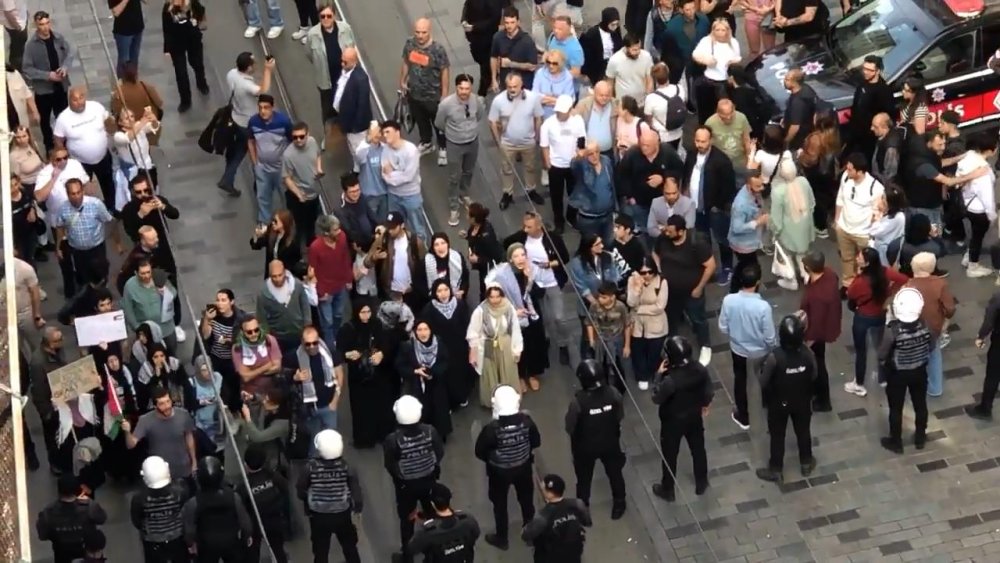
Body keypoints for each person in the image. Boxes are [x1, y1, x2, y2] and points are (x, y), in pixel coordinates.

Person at [475, 385, 540, 551]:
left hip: (499, 473)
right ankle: (531, 534)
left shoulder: (491, 430)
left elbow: (480, 451)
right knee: (526, 501)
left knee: (500, 505)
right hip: (524, 468)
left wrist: (494, 460)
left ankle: (502, 538)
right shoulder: (527, 422)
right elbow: (536, 442)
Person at [504, 212, 572, 364]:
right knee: (542, 316)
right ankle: (545, 339)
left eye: (529, 227)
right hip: (534, 284)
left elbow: (564, 258)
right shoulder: (522, 237)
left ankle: (563, 344)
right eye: (524, 226)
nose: (526, 230)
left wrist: (549, 264)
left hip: (552, 282)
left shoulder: (552, 238)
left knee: (559, 317)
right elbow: (507, 244)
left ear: (539, 226)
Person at [756, 315, 817, 483]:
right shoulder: (808, 354)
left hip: (778, 403)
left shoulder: (774, 357)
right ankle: (806, 462)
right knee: (803, 431)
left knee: (777, 435)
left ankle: (776, 469)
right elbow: (814, 375)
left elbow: (763, 381)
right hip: (803, 401)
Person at [383, 395, 445, 563]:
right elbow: (439, 453)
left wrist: (402, 478)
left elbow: (390, 464)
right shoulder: (430, 431)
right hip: (429, 481)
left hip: (406, 487)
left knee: (407, 520)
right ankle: (435, 551)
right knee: (432, 514)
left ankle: (407, 556)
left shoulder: (392, 439)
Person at [651, 335, 713, 501]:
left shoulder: (671, 380)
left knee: (670, 455)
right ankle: (701, 482)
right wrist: (705, 404)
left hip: (672, 421)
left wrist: (658, 375)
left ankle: (668, 489)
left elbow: (656, 397)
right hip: (694, 416)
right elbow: (708, 390)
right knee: (698, 449)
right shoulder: (700, 369)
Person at [565, 360, 626, 517]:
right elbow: (620, 415)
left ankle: (582, 510)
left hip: (584, 448)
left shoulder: (578, 402)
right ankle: (619, 504)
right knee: (615, 474)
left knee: (584, 480)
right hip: (610, 443)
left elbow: (569, 427)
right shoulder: (612, 393)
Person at [844, 247, 908, 397]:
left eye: (860, 257)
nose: (857, 257)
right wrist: (890, 291)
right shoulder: (885, 272)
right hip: (880, 315)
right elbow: (904, 280)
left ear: (866, 263)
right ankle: (882, 378)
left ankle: (859, 384)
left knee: (861, 351)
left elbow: (850, 294)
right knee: (879, 348)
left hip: (863, 318)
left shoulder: (860, 281)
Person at [719, 263, 776, 430]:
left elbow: (723, 327)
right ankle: (763, 403)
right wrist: (771, 347)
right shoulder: (763, 307)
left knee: (741, 380)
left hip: (738, 350)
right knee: (762, 378)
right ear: (757, 282)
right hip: (759, 352)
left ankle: (744, 416)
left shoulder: (729, 301)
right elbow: (770, 336)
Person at [654, 215, 715, 365]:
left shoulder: (697, 243)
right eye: (666, 230)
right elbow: (655, 252)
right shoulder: (663, 238)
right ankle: (672, 346)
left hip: (692, 292)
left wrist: (699, 288)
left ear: (681, 232)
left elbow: (711, 266)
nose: (666, 233)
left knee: (698, 319)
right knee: (671, 319)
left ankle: (705, 346)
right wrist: (660, 269)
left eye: (670, 232)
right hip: (670, 292)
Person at [879, 288, 932, 453]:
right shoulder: (925, 325)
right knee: (920, 404)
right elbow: (932, 345)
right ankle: (920, 437)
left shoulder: (893, 331)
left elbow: (882, 354)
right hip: (920, 370)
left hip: (898, 374)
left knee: (896, 408)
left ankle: (896, 441)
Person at [489, 244, 548, 393]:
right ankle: (520, 376)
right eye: (516, 256)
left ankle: (533, 374)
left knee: (534, 345)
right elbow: (498, 299)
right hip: (513, 316)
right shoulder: (503, 276)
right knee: (518, 347)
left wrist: (530, 280)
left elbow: (540, 294)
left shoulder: (532, 270)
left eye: (523, 255)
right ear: (510, 259)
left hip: (532, 314)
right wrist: (514, 311)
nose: (520, 259)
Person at [298, 429, 363, 563]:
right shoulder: (347, 466)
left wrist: (307, 502)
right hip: (342, 514)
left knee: (320, 551)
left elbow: (301, 489)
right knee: (350, 547)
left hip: (318, 516)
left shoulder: (309, 467)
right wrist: (358, 509)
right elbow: (356, 491)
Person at [337, 299, 395, 447]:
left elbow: (387, 345)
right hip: (359, 375)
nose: (366, 315)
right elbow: (339, 351)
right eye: (362, 312)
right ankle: (364, 439)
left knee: (381, 404)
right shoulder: (348, 328)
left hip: (378, 373)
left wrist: (381, 354)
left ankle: (382, 434)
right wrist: (348, 355)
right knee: (361, 408)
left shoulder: (377, 325)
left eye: (368, 312)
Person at [683, 125, 736, 285]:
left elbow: (729, 188)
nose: (700, 144)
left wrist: (717, 206)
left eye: (703, 141)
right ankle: (706, 264)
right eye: (697, 141)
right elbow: (687, 174)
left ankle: (727, 267)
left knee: (721, 239)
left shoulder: (722, 161)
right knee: (702, 237)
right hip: (696, 207)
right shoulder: (691, 155)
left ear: (711, 140)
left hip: (715, 210)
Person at [219, 52, 275, 197]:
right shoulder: (246, 85)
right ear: (249, 68)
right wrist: (268, 70)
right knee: (256, 154)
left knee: (239, 151)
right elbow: (263, 90)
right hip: (249, 124)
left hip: (236, 118)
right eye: (254, 63)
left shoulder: (231, 74)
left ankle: (227, 179)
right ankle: (259, 186)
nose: (256, 64)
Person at [489, 73, 545, 209]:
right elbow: (492, 122)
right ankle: (507, 193)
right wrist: (498, 142)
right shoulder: (499, 100)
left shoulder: (533, 98)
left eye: (515, 86)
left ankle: (531, 190)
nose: (512, 89)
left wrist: (537, 137)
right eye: (509, 86)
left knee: (530, 167)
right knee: (506, 169)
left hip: (528, 142)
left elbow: (538, 118)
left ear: (522, 85)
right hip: (508, 143)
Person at [181, 457, 254, 561]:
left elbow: (189, 529)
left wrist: (190, 543)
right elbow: (245, 522)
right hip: (231, 542)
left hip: (207, 545)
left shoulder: (194, 502)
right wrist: (247, 535)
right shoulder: (233, 497)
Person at [305, 3, 357, 148]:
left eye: (329, 16)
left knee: (347, 104)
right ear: (319, 17)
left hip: (344, 78)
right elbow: (309, 54)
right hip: (325, 80)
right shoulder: (313, 34)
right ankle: (328, 136)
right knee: (328, 111)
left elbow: (352, 48)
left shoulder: (345, 29)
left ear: (334, 16)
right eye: (323, 16)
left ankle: (349, 131)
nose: (326, 19)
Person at [123, 386, 197, 487]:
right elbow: (131, 445)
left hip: (184, 470)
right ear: (154, 406)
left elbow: (189, 437)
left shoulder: (183, 415)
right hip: (160, 475)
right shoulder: (145, 420)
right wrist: (127, 432)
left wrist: (194, 461)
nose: (167, 406)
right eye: (161, 403)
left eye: (168, 401)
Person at [435, 73, 484, 226]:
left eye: (467, 88)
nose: (464, 92)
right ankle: (454, 207)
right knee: (454, 177)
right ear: (456, 87)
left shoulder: (477, 101)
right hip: (454, 144)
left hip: (472, 142)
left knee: (469, 171)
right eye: (461, 88)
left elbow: (479, 116)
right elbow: (439, 123)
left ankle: (464, 194)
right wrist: (453, 133)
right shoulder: (446, 104)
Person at [22, 11, 75, 150]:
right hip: (44, 91)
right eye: (41, 24)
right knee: (45, 121)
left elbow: (69, 52)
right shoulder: (31, 46)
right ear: (36, 25)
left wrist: (65, 67)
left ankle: (64, 143)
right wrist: (48, 75)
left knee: (63, 117)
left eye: (47, 23)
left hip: (61, 87)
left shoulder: (58, 37)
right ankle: (49, 146)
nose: (45, 27)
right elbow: (27, 69)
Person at [905, 252, 955, 398]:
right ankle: (935, 387)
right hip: (934, 328)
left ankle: (914, 386)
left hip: (914, 328)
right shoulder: (940, 284)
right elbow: (950, 308)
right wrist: (946, 319)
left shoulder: (908, 285)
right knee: (934, 356)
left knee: (914, 358)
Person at [835, 153, 886, 292]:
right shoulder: (845, 178)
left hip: (863, 233)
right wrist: (837, 221)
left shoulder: (875, 188)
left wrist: (872, 229)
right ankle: (847, 284)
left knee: (865, 263)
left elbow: (879, 211)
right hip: (844, 228)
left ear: (860, 171)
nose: (847, 171)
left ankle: (864, 287)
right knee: (846, 258)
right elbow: (840, 198)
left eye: (850, 169)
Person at [401, 18, 450, 161]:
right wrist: (402, 81)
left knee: (439, 124)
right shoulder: (409, 44)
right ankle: (426, 142)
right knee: (421, 122)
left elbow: (445, 70)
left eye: (424, 32)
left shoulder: (437, 49)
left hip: (433, 96)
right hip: (415, 94)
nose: (420, 36)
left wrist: (444, 95)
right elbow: (405, 62)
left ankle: (443, 147)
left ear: (429, 31)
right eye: (417, 32)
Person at [467, 283, 524, 407]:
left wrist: (517, 349)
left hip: (506, 345)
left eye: (498, 296)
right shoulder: (481, 310)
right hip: (488, 345)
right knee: (490, 374)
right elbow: (473, 332)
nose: (495, 300)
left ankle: (510, 401)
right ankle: (492, 401)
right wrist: (474, 351)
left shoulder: (509, 308)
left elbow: (515, 329)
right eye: (491, 297)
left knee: (508, 372)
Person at [396, 320, 453, 442]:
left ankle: (439, 434)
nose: (423, 333)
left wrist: (433, 372)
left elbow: (445, 361)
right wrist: (416, 371)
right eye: (419, 330)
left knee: (438, 411)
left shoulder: (439, 343)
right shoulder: (408, 346)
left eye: (426, 329)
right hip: (416, 386)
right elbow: (400, 365)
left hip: (436, 385)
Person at [798, 251, 840, 412]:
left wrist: (808, 342)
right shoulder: (829, 274)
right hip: (825, 328)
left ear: (808, 267)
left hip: (816, 334)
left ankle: (823, 400)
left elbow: (815, 322)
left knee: (818, 365)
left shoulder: (817, 296)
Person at [422, 280, 474, 408]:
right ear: (435, 293)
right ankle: (449, 402)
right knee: (445, 374)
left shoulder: (460, 304)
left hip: (459, 347)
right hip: (441, 348)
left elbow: (467, 324)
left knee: (460, 372)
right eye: (439, 291)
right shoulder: (429, 309)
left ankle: (462, 396)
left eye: (446, 289)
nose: (443, 294)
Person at [540, 95, 587, 234]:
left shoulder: (577, 121)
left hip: (573, 164)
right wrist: (548, 163)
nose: (560, 114)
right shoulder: (548, 124)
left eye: (563, 111)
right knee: (556, 195)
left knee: (574, 193)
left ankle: (571, 216)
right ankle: (558, 220)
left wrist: (580, 154)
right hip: (556, 165)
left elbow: (581, 139)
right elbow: (544, 146)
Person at [35, 473, 107, 563]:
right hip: (86, 553)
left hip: (62, 554)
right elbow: (102, 518)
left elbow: (42, 535)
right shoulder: (89, 506)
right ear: (76, 490)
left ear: (59, 491)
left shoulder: (49, 512)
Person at [130, 456, 190, 561]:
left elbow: (137, 521)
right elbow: (185, 512)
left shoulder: (139, 498)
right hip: (177, 538)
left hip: (152, 542)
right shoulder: (180, 492)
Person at [768, 159, 815, 290]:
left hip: (787, 230)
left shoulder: (778, 191)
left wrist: (775, 232)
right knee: (803, 253)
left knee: (787, 254)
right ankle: (806, 274)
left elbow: (776, 218)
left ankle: (791, 280)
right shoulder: (803, 182)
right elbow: (812, 203)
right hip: (805, 225)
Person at [380, 120, 431, 243]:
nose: (385, 135)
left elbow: (408, 176)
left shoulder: (411, 150)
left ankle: (421, 251)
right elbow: (383, 172)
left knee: (417, 227)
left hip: (411, 195)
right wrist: (397, 174)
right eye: (383, 132)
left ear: (397, 132)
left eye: (388, 132)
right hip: (394, 196)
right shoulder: (385, 150)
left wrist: (392, 174)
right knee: (395, 226)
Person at [522, 474, 591, 562]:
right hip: (574, 551)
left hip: (551, 556)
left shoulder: (543, 516)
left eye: (543, 489)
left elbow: (526, 535)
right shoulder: (577, 503)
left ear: (548, 494)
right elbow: (587, 522)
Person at [248, 94, 292, 226]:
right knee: (263, 197)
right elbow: (250, 141)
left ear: (272, 108)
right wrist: (255, 163)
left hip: (281, 168)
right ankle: (264, 223)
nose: (263, 111)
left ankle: (288, 221)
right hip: (262, 168)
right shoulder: (253, 122)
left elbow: (292, 142)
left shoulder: (283, 122)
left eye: (266, 107)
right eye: (260, 107)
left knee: (286, 196)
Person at [240, 445, 290, 563]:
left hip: (255, 524)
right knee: (278, 549)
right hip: (275, 521)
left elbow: (241, 507)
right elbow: (285, 488)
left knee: (252, 552)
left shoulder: (244, 486)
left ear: (245, 464)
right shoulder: (273, 476)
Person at [957, 132, 998, 278]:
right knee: (978, 237)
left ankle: (968, 257)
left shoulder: (968, 158)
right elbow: (987, 196)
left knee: (975, 235)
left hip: (968, 204)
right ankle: (973, 266)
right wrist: (992, 215)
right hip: (980, 210)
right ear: (989, 150)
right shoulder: (984, 172)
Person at [309, 214, 353, 348]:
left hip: (340, 286)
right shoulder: (315, 247)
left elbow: (346, 258)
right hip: (325, 290)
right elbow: (312, 271)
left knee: (338, 315)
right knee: (327, 321)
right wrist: (320, 292)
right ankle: (331, 348)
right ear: (326, 232)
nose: (339, 231)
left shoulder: (342, 237)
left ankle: (336, 339)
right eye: (335, 229)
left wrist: (348, 279)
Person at [408, 482, 481, 562]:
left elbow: (412, 549)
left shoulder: (426, 532)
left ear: (432, 504)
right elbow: (476, 533)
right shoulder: (468, 520)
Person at [627, 257, 669, 390]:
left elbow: (659, 306)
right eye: (643, 272)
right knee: (638, 353)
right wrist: (637, 289)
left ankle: (654, 372)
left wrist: (639, 309)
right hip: (638, 326)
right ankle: (641, 376)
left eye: (650, 272)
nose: (647, 275)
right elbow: (631, 303)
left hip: (656, 325)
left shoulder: (662, 282)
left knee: (654, 353)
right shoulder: (632, 280)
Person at [257, 260, 314, 357]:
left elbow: (305, 306)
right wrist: (266, 336)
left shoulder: (297, 285)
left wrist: (307, 325)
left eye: (280, 275)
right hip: (278, 336)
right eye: (274, 276)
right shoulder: (263, 293)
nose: (278, 279)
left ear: (285, 272)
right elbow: (261, 317)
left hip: (298, 331)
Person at [121, 261, 179, 353]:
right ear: (136, 273)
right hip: (148, 331)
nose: (147, 276)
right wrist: (138, 329)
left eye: (148, 272)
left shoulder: (159, 277)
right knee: (152, 355)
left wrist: (166, 292)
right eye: (143, 273)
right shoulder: (130, 286)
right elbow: (128, 310)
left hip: (166, 327)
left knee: (172, 352)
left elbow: (174, 292)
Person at [162, 0, 209, 112]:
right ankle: (185, 100)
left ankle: (201, 83)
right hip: (176, 43)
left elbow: (201, 11)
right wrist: (167, 49)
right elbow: (166, 28)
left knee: (197, 63)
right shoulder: (168, 8)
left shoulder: (192, 3)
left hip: (193, 39)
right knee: (181, 73)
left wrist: (197, 22)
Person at [691, 19, 739, 124]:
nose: (720, 33)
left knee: (725, 112)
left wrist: (733, 62)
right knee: (706, 113)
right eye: (717, 30)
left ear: (727, 30)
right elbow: (695, 54)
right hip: (708, 81)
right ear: (713, 30)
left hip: (726, 82)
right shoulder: (706, 41)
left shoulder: (733, 42)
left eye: (723, 30)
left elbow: (738, 58)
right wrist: (706, 60)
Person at [727, 171, 768, 293]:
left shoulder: (752, 194)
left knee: (743, 266)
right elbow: (737, 227)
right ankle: (740, 291)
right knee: (751, 269)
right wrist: (757, 223)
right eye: (758, 186)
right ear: (748, 185)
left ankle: (736, 290)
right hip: (743, 244)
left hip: (750, 241)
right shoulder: (741, 204)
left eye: (762, 185)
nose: (761, 188)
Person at [570, 141, 617, 245]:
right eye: (590, 153)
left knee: (609, 243)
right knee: (591, 246)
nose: (595, 156)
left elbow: (612, 184)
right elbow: (574, 165)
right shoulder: (582, 165)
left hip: (607, 215)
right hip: (588, 218)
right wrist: (578, 157)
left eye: (597, 152)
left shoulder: (606, 161)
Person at [848, 56, 895, 159]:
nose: (865, 72)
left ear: (878, 71)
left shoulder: (884, 91)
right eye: (864, 68)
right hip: (857, 133)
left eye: (870, 70)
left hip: (870, 137)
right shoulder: (862, 83)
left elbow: (888, 116)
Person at [331, 47, 371, 161]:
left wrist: (356, 127)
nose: (342, 64)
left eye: (345, 62)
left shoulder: (360, 79)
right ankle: (356, 168)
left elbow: (362, 105)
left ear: (354, 61)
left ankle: (362, 171)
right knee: (352, 147)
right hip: (346, 120)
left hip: (356, 126)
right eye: (341, 60)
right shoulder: (346, 71)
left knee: (359, 150)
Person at [490, 6, 537, 92]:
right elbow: (493, 57)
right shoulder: (498, 37)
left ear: (518, 22)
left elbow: (533, 66)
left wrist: (511, 64)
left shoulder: (527, 41)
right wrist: (494, 79)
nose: (509, 26)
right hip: (505, 84)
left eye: (512, 22)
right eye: (507, 23)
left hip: (523, 85)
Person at [119, 176, 178, 244]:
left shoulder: (157, 199)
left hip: (162, 240)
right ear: (134, 192)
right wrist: (140, 214)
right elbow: (130, 231)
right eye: (138, 192)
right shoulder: (128, 208)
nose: (143, 194)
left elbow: (175, 215)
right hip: (143, 244)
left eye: (146, 190)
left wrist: (163, 206)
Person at [662, 0, 708, 86]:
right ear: (681, 10)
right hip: (682, 68)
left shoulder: (703, 20)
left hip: (701, 65)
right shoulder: (672, 28)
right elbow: (667, 52)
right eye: (688, 10)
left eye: (693, 8)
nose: (691, 12)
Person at [464, 202, 504, 300]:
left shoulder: (487, 236)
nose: (466, 216)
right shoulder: (475, 226)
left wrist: (478, 259)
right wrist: (467, 236)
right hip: (481, 265)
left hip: (487, 267)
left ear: (473, 218)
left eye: (468, 214)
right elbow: (474, 238)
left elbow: (494, 257)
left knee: (486, 287)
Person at [644, 62, 688, 149]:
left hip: (662, 136)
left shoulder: (651, 98)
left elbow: (648, 119)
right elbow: (684, 103)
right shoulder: (680, 89)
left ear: (655, 80)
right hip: (679, 131)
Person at [250, 209, 301, 277]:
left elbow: (295, 261)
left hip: (285, 275)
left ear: (284, 223)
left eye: (276, 221)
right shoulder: (272, 233)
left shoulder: (293, 242)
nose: (273, 223)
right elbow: (255, 245)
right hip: (271, 273)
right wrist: (257, 235)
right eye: (273, 220)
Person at [580, 7, 624, 85]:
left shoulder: (616, 33)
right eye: (612, 24)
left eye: (617, 24)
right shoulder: (592, 34)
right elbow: (587, 55)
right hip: (598, 69)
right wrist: (585, 72)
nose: (615, 27)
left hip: (613, 66)